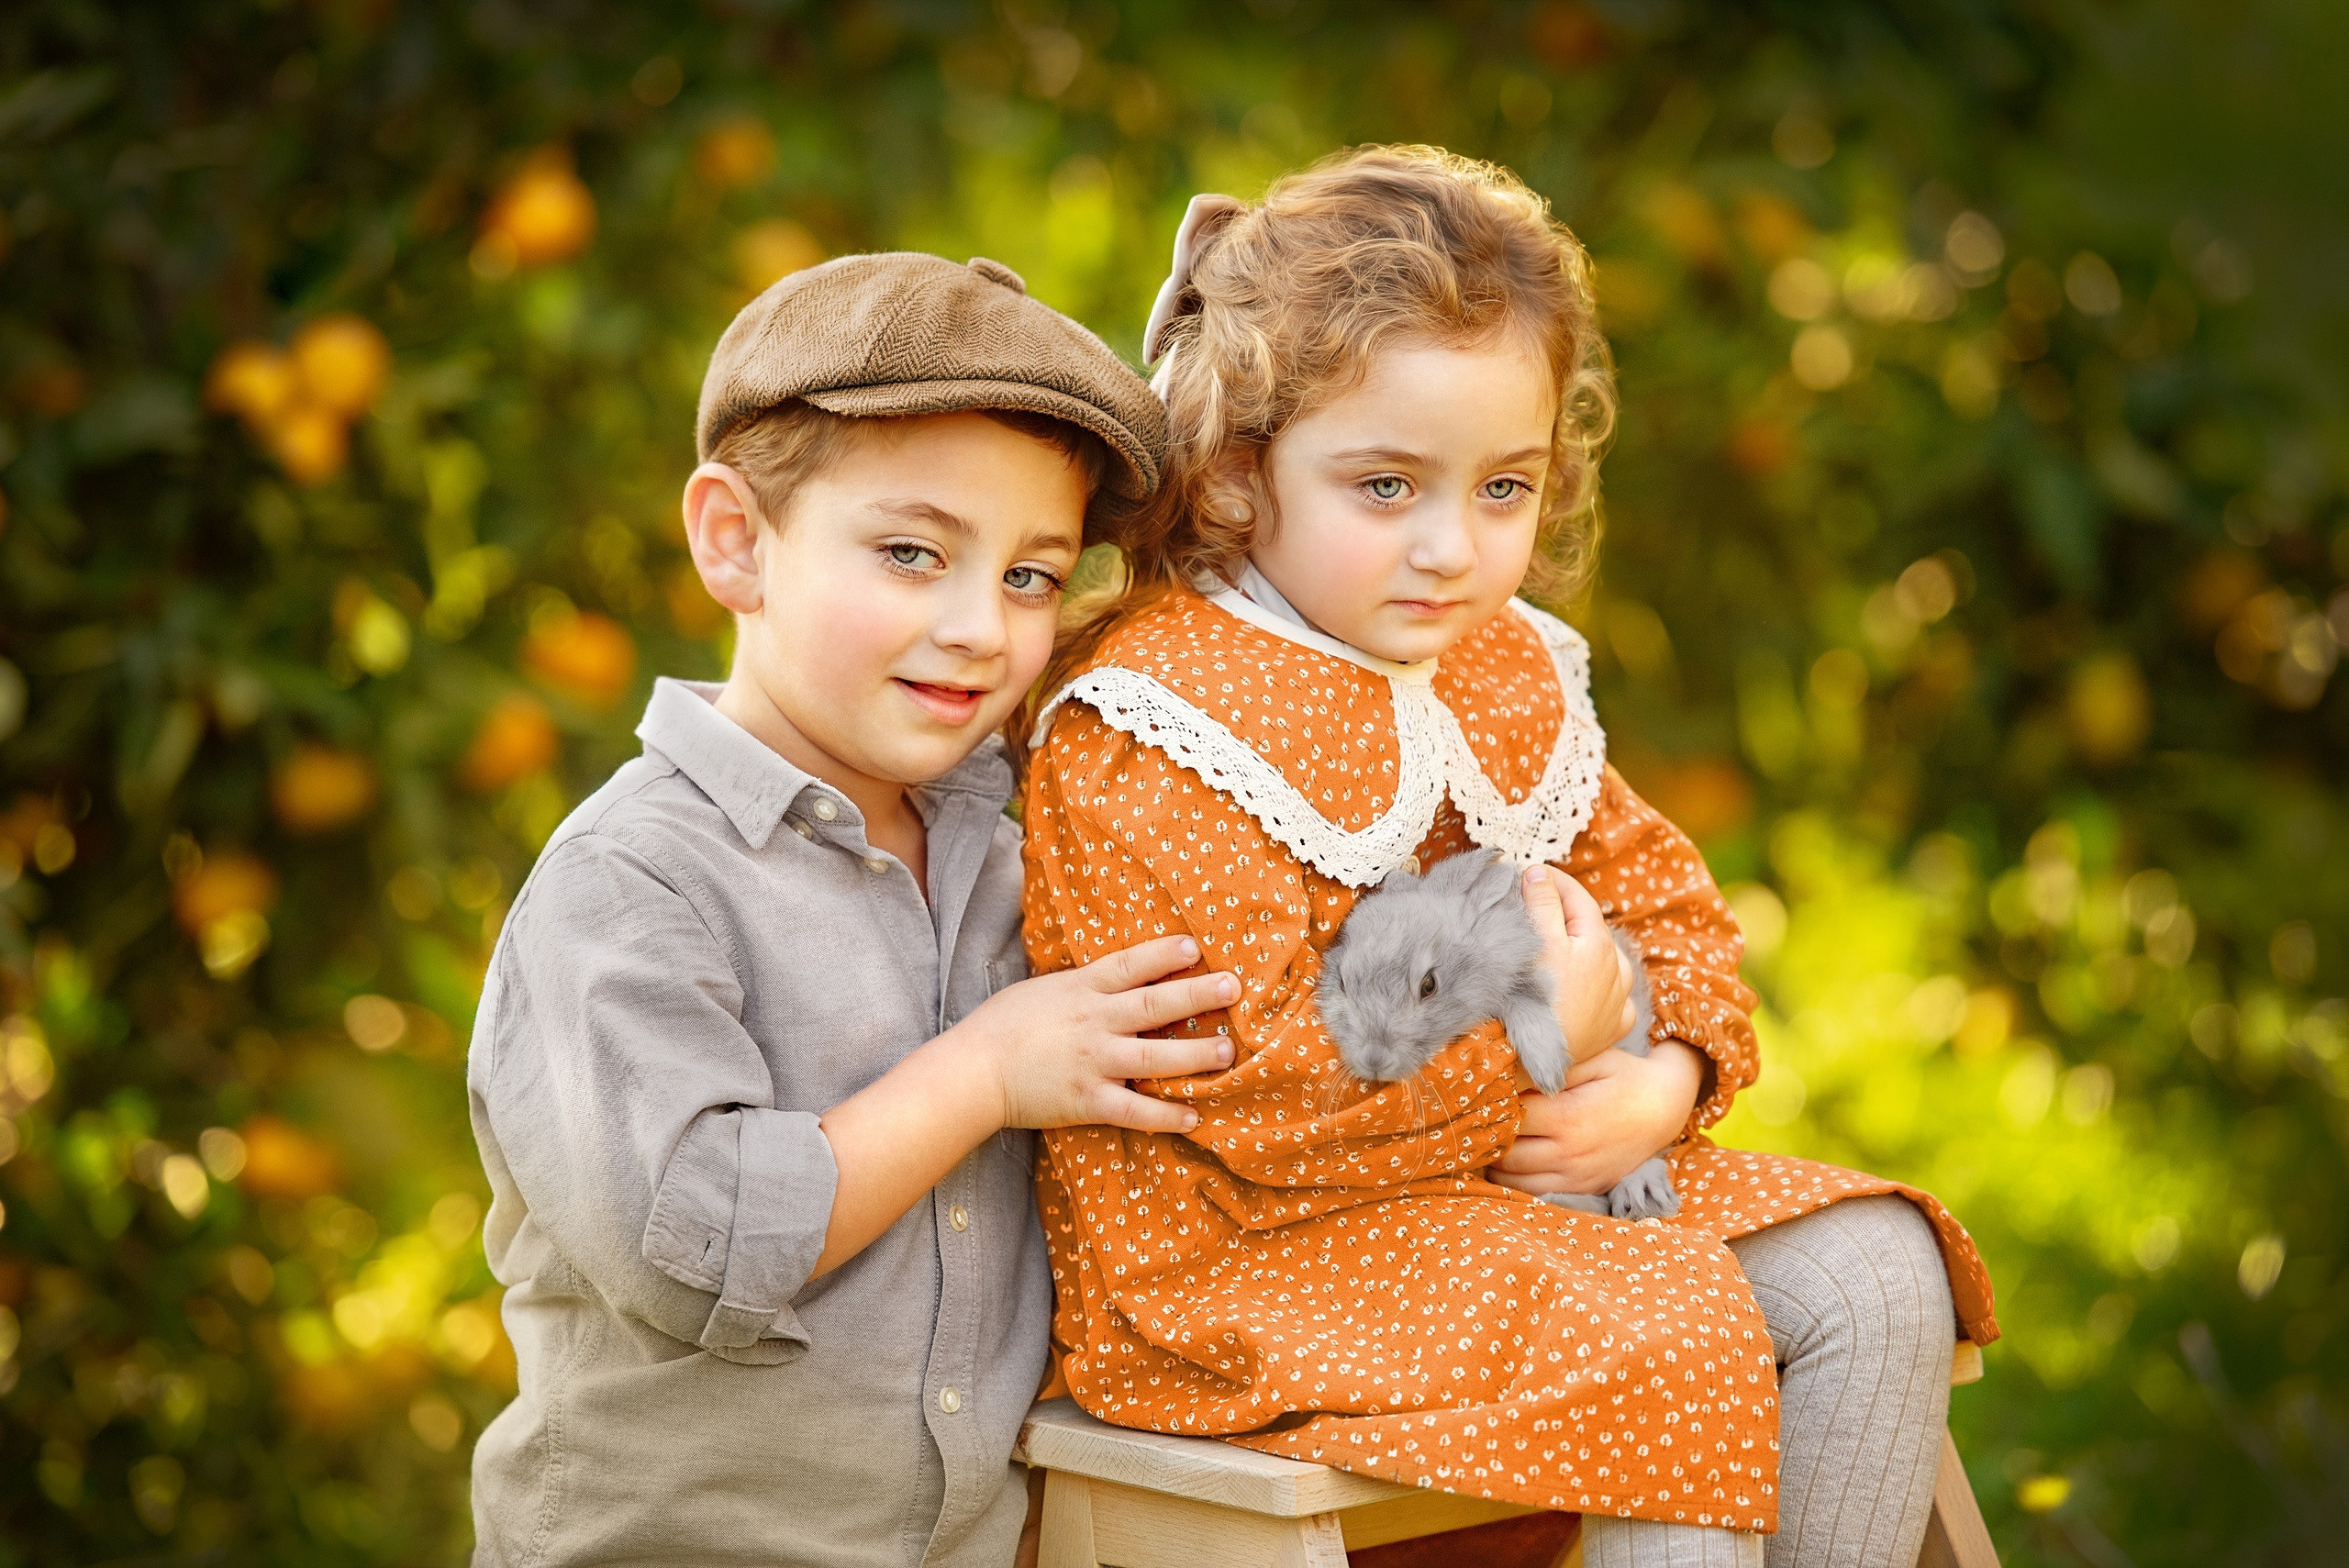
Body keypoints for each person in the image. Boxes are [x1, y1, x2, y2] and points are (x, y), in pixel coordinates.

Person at [1018, 147, 1999, 1568]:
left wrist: (1662, 1081)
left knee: (1881, 1270)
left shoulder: (1493, 666)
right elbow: (1260, 1084)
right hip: (1248, 1258)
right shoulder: (1156, 723)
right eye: (1386, 485)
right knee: (1665, 1331)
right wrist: (1547, 1043)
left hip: (1488, 1205)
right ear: (1237, 469)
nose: (1451, 548)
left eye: (1502, 487)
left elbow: (1669, 906)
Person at [464, 251, 1241, 1568]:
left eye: (1032, 576)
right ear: (736, 541)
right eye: (912, 553)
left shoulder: (1024, 860)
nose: (981, 627)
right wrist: (985, 1074)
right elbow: (693, 1242)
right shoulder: (632, 880)